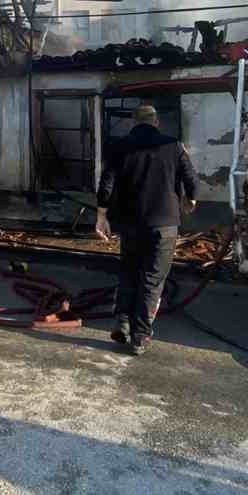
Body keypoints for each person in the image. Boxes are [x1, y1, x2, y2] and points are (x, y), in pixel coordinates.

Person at [96, 103, 197, 355]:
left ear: (133, 123)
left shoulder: (119, 147)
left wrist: (101, 216)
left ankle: (122, 321)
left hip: (130, 223)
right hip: (164, 223)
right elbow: (191, 180)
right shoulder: (174, 145)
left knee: (129, 271)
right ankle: (140, 336)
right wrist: (190, 199)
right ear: (156, 122)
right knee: (152, 277)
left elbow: (106, 183)